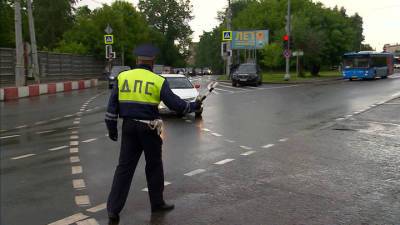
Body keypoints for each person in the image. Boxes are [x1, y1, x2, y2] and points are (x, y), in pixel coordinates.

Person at [105, 43, 202, 223]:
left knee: (124, 169)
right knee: (154, 166)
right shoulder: (158, 80)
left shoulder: (122, 77)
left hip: (129, 128)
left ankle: (113, 210)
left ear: (136, 60)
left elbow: (112, 107)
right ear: (153, 61)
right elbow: (176, 105)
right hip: (149, 129)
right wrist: (193, 106)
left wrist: (111, 129)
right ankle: (157, 203)